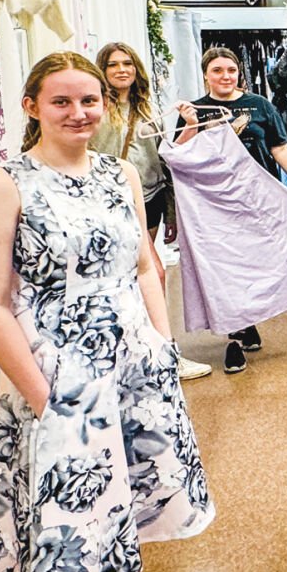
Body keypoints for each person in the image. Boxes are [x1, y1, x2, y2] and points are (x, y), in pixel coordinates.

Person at [0, 52, 214, 572]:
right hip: (57, 377)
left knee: (116, 509)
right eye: (63, 100)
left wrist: (162, 346)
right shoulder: (0, 185)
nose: (79, 112)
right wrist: (44, 398)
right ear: (31, 104)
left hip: (129, 366)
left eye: (90, 100)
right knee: (53, 537)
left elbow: (144, 265)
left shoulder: (119, 173)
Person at [177, 46, 287, 372]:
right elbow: (179, 155)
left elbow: (280, 147)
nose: (225, 76)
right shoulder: (195, 110)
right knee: (225, 264)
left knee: (257, 260)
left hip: (256, 198)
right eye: (217, 70)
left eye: (230, 70)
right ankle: (236, 328)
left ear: (238, 73)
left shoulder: (259, 106)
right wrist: (189, 125)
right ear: (205, 75)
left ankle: (247, 316)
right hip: (213, 205)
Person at [92, 42, 210, 381]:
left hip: (151, 196)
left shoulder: (146, 107)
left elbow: (167, 155)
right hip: (116, 201)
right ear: (103, 70)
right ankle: (165, 352)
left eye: (127, 63)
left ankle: (145, 350)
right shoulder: (97, 109)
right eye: (113, 65)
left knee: (139, 275)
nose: (121, 70)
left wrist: (190, 125)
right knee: (152, 274)